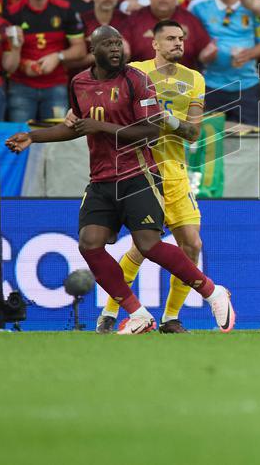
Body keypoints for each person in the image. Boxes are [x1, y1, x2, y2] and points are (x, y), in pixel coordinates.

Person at [5, 25, 235, 335]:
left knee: (152, 245)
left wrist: (100, 127)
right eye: (109, 44)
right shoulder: (80, 82)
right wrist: (33, 137)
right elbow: (77, 126)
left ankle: (209, 293)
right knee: (90, 244)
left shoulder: (138, 79)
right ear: (93, 49)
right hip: (101, 178)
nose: (116, 49)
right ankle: (137, 313)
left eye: (119, 43)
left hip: (139, 173)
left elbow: (151, 131)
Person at [96, 20, 207, 334]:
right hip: (139, 170)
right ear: (155, 43)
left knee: (192, 244)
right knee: (143, 246)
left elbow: (194, 132)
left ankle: (171, 317)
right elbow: (100, 99)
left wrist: (168, 119)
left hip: (174, 171)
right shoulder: (134, 72)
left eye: (180, 38)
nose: (177, 43)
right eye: (170, 38)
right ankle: (109, 312)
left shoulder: (194, 79)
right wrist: (76, 112)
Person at [4, 0, 86, 122]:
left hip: (55, 86)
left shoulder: (65, 9)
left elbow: (80, 49)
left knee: (57, 136)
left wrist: (58, 56)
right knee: (20, 135)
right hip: (21, 87)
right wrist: (23, 63)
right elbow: (8, 63)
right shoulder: (12, 13)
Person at [191, 0, 260, 125]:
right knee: (212, 137)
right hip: (212, 85)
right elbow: (190, 42)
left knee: (249, 136)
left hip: (246, 85)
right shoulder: (198, 6)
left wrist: (249, 54)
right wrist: (202, 56)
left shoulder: (250, 4)